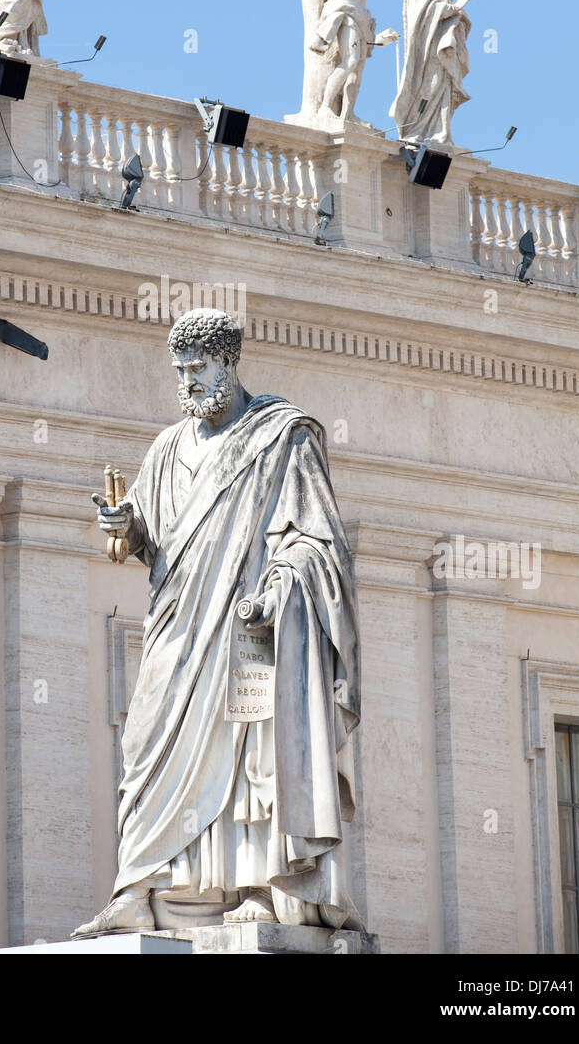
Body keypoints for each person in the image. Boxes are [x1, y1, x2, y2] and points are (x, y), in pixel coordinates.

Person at [74, 308, 362, 936]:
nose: (188, 382)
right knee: (145, 738)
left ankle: (258, 885)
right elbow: (155, 539)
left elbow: (318, 542)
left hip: (249, 633)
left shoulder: (282, 437)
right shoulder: (167, 447)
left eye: (198, 368)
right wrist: (127, 528)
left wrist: (279, 588)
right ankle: (151, 884)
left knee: (249, 756)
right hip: (177, 630)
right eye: (179, 370)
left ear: (229, 363)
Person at [390, 0, 477, 145]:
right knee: (429, 85)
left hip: (439, 47)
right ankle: (418, 130)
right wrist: (457, 6)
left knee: (441, 85)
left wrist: (456, 12)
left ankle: (438, 133)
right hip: (426, 48)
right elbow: (429, 8)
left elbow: (441, 7)